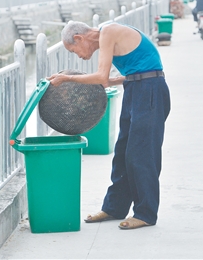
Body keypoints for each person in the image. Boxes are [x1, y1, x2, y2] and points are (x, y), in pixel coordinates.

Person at [47, 21, 171, 230]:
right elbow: (120, 75)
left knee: (142, 153)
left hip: (150, 91)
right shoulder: (107, 35)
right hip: (135, 87)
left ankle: (146, 213)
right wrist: (110, 82)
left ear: (79, 38)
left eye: (74, 50)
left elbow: (101, 77)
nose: (78, 55)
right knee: (123, 153)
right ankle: (114, 207)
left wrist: (67, 78)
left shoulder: (108, 32)